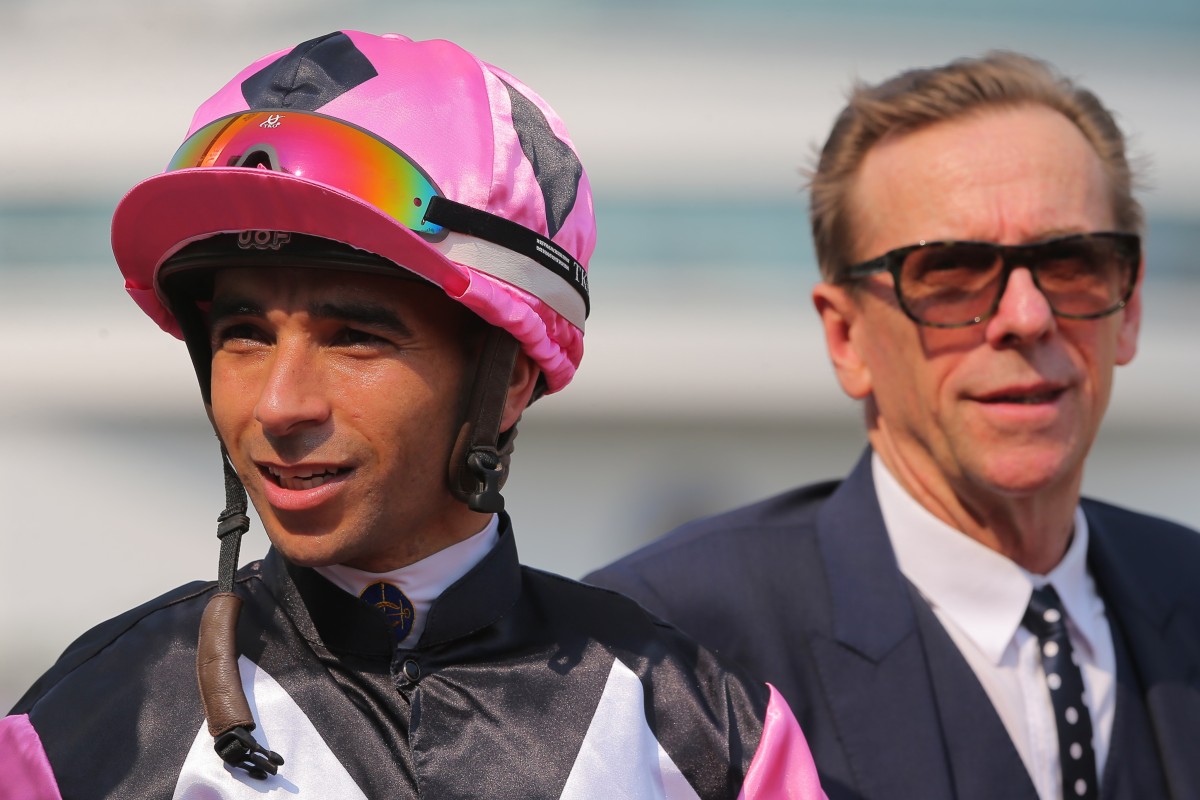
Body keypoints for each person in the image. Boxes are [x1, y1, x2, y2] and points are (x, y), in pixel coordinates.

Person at [0, 31, 826, 799]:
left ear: (510, 378)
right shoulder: (84, 730)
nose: (279, 406)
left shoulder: (711, 733)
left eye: (355, 338)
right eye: (244, 334)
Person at [587, 52, 1200, 800]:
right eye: (950, 273)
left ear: (1129, 306)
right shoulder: (666, 648)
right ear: (846, 337)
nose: (1027, 316)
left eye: (1073, 262)